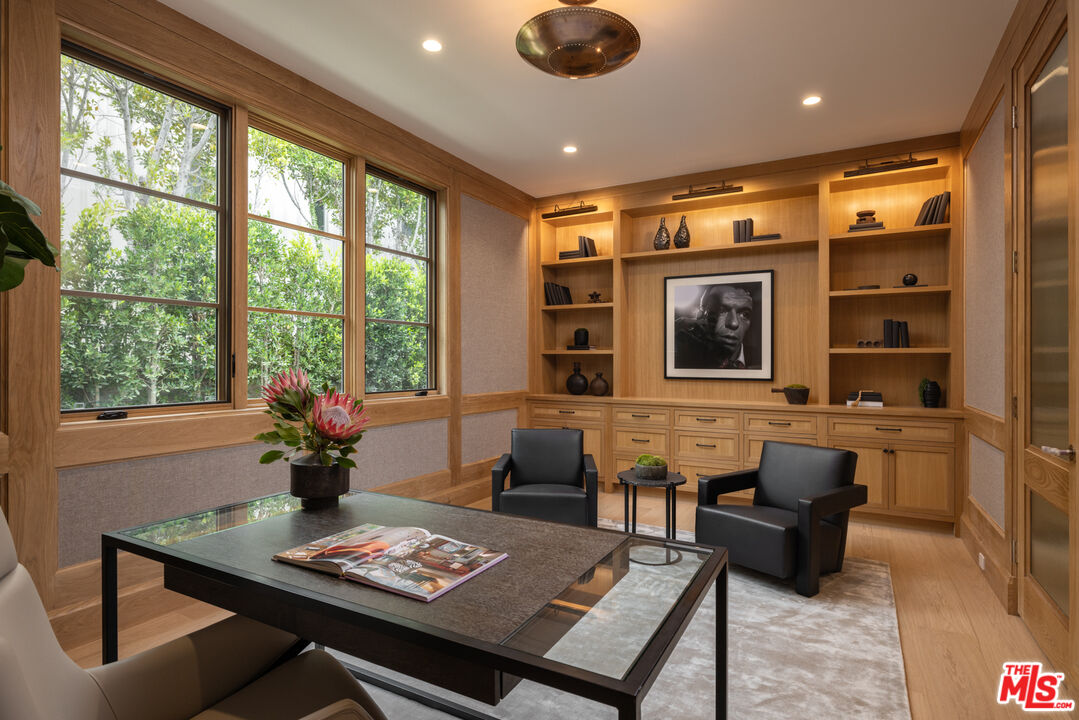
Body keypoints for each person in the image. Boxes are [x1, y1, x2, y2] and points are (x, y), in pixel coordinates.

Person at [674, 284, 757, 369]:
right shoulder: (683, 358)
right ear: (701, 317)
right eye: (721, 311)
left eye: (744, 314)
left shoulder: (761, 359)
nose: (733, 323)